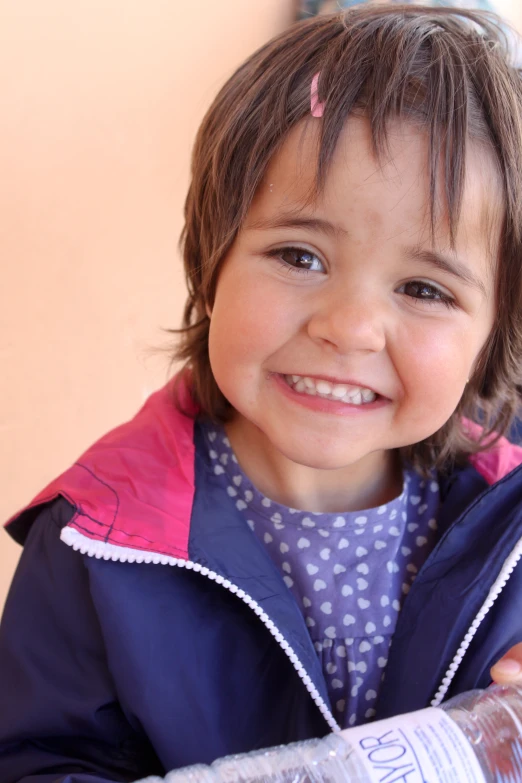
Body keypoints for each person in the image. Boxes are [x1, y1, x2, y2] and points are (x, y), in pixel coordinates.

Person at [2, 5, 522, 782]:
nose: (349, 327)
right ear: (212, 258)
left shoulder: (509, 525)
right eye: (299, 255)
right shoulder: (97, 544)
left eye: (423, 286)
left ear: (492, 332)